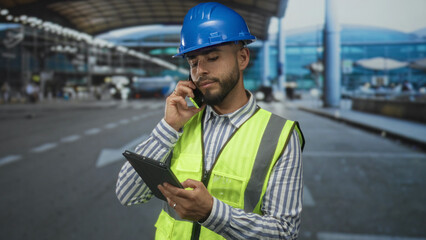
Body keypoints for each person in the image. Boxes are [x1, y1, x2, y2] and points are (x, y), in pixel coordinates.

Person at [116, 2, 305, 239]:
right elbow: (127, 194)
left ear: (243, 58)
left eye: (212, 57)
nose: (200, 70)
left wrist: (212, 213)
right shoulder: (180, 126)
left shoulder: (280, 136)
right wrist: (168, 127)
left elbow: (284, 232)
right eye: (193, 62)